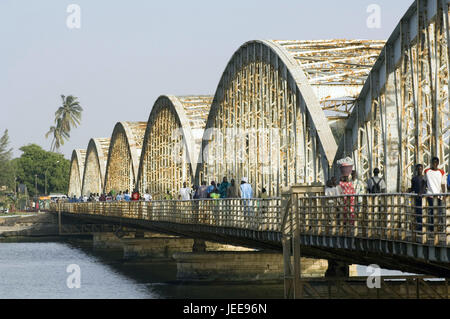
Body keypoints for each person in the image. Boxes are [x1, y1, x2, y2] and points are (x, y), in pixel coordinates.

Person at [424, 157, 446, 232]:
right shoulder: (427, 171)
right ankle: (432, 228)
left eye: (436, 162)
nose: (435, 164)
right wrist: (422, 191)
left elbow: (443, 184)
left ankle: (436, 226)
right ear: (431, 163)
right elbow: (424, 182)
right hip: (430, 195)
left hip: (439, 195)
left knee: (439, 212)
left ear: (438, 163)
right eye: (433, 162)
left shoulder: (441, 172)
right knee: (433, 211)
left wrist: (444, 194)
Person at [409, 164, 427, 231]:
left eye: (421, 169)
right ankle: (420, 228)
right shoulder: (414, 178)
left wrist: (421, 192)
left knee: (424, 212)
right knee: (418, 212)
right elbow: (413, 188)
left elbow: (425, 186)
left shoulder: (424, 178)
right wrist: (408, 190)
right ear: (416, 170)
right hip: (417, 198)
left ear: (422, 169)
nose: (419, 170)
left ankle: (424, 227)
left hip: (424, 197)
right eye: (418, 169)